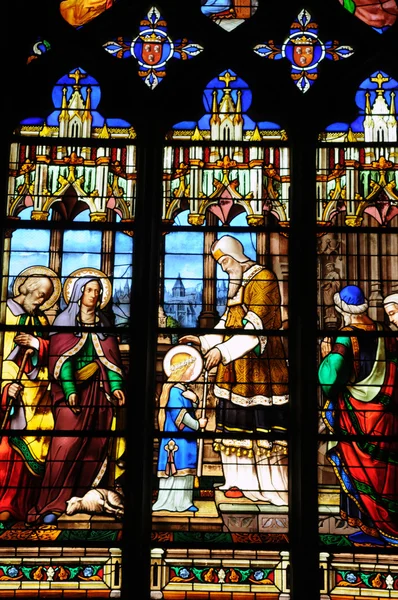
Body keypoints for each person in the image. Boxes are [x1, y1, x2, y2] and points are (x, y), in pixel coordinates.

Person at [180, 235, 289, 505]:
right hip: (234, 374)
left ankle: (271, 489)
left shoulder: (263, 280)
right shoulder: (238, 284)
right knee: (233, 428)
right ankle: (238, 483)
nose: (225, 269)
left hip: (261, 373)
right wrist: (204, 342)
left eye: (225, 263)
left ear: (232, 258)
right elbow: (228, 324)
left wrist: (223, 351)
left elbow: (255, 329)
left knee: (263, 431)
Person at [27, 274, 125, 525]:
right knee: (65, 446)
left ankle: (81, 498)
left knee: (95, 446)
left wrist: (115, 388)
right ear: (79, 293)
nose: (95, 295)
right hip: (71, 397)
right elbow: (62, 360)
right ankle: (52, 503)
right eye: (90, 290)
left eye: (99, 291)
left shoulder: (104, 326)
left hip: (98, 396)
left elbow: (111, 363)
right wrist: (70, 390)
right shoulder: (64, 321)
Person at [319, 285, 398, 546]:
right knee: (385, 473)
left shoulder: (346, 336)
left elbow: (331, 380)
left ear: (343, 309)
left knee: (360, 468)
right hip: (386, 414)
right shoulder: (385, 332)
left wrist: (324, 357)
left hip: (357, 416)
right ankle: (382, 526)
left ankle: (374, 528)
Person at [0, 268, 59, 522]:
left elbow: (50, 351)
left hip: (35, 393)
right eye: (39, 294)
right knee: (7, 450)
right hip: (11, 390)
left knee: (39, 444)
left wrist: (37, 345)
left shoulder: (41, 321)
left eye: (45, 298)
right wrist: (4, 387)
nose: (41, 301)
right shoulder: (5, 314)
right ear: (26, 288)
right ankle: (6, 503)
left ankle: (24, 506)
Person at [152, 345, 207, 513]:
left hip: (184, 440)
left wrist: (195, 400)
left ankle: (184, 502)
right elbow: (180, 417)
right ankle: (169, 503)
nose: (192, 372)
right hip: (176, 441)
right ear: (182, 370)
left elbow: (187, 410)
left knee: (184, 472)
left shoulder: (183, 390)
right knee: (176, 472)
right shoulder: (175, 392)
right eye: (190, 368)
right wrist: (198, 425)